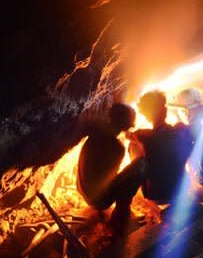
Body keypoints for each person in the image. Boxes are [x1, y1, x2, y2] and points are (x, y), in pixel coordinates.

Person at [77, 103, 145, 231]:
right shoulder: (117, 148)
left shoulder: (95, 135)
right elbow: (112, 179)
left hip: (82, 190)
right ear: (126, 126)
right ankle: (120, 217)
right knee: (141, 165)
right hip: (98, 200)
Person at [128, 90, 193, 204]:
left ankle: (147, 182)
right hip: (182, 190)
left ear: (146, 115)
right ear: (165, 110)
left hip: (155, 194)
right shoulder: (181, 129)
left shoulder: (143, 135)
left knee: (133, 145)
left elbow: (128, 135)